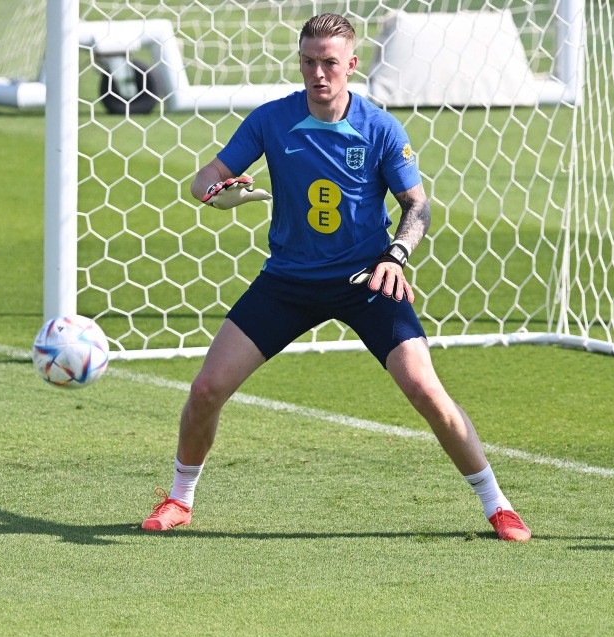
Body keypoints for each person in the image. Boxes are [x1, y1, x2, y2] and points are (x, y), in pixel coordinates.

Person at [140, 14, 530, 542]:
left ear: (351, 64)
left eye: (329, 62)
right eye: (308, 61)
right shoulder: (270, 120)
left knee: (425, 389)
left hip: (367, 281)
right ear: (299, 62)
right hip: (288, 282)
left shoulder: (380, 128)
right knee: (207, 388)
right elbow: (205, 178)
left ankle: (498, 505)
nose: (318, 73)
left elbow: (416, 206)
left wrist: (396, 256)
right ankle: (179, 499)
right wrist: (217, 191)